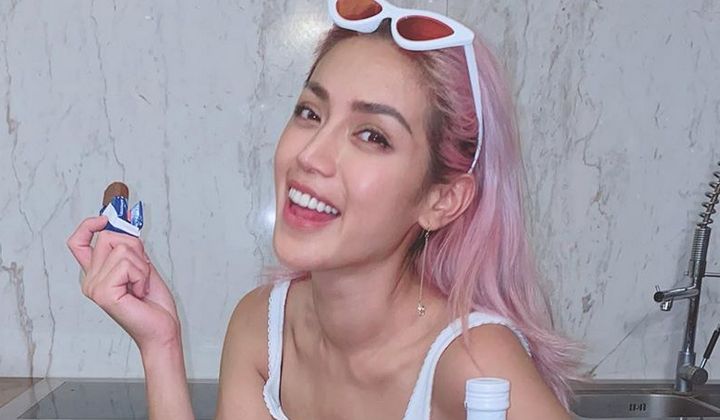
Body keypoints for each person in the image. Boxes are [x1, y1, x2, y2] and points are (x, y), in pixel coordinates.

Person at [68, 1, 577, 418]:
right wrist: (161, 346)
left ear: (441, 200)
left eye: (372, 136)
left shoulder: (474, 363)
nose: (310, 155)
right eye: (310, 113)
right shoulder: (262, 329)